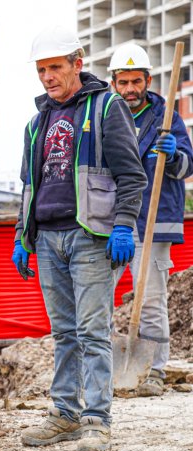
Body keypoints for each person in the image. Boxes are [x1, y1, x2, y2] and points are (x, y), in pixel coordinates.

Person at [13, 28, 146, 451]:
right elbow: (28, 187)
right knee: (64, 333)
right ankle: (65, 414)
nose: (47, 77)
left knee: (92, 331)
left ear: (77, 63)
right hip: (48, 238)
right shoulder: (37, 122)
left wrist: (123, 226)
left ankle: (96, 421)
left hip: (90, 236)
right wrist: (22, 237)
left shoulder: (106, 106)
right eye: (41, 71)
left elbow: (132, 174)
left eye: (55, 68)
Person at [107, 44, 193, 397]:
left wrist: (173, 156)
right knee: (98, 295)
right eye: (123, 82)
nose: (130, 89)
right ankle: (102, 366)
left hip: (153, 222)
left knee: (153, 299)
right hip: (111, 223)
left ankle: (155, 370)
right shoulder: (105, 114)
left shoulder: (166, 116)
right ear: (113, 83)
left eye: (136, 81)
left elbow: (187, 167)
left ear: (148, 81)